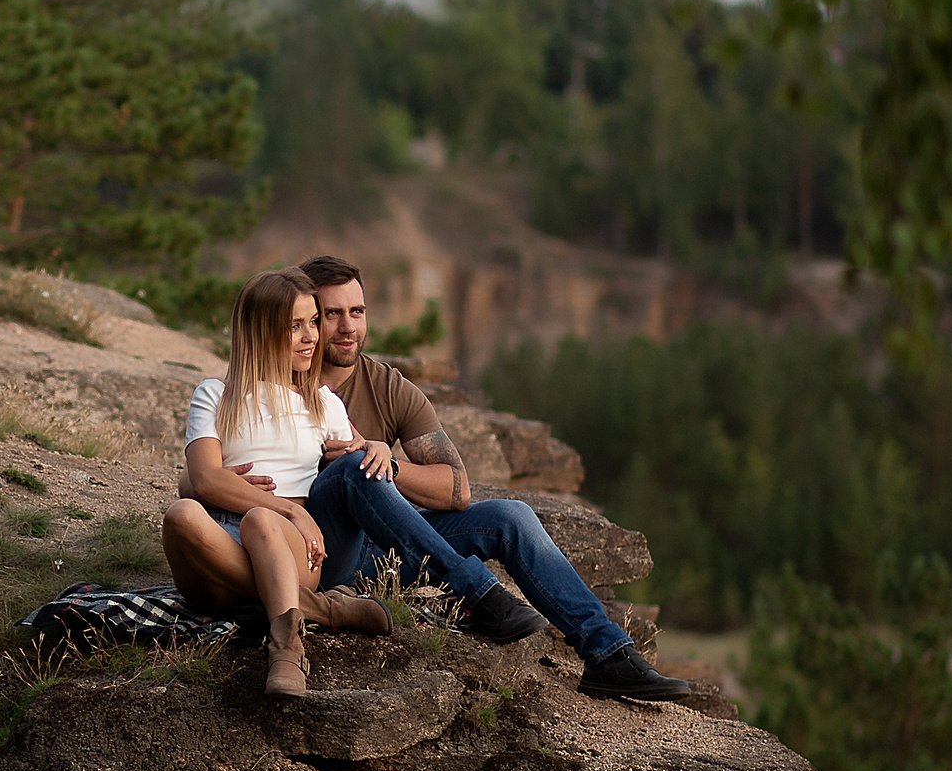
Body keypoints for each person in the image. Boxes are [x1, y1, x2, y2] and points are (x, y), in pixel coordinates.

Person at [289, 254, 692, 702]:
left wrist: (389, 464)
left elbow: (457, 489)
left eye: (357, 312)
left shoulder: (386, 386)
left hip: (392, 553)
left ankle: (608, 654)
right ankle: (477, 592)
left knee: (511, 516)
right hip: (321, 555)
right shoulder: (279, 385)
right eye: (332, 315)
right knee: (351, 471)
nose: (348, 327)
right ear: (305, 319)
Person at [162, 268, 391, 697]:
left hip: (288, 544)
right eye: (295, 326)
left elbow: (351, 467)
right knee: (181, 514)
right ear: (261, 332)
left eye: (312, 322)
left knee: (259, 522)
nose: (311, 337)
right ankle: (320, 608)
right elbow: (205, 478)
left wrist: (377, 448)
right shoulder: (215, 394)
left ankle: (287, 649)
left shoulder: (323, 404)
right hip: (217, 553)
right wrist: (288, 508)